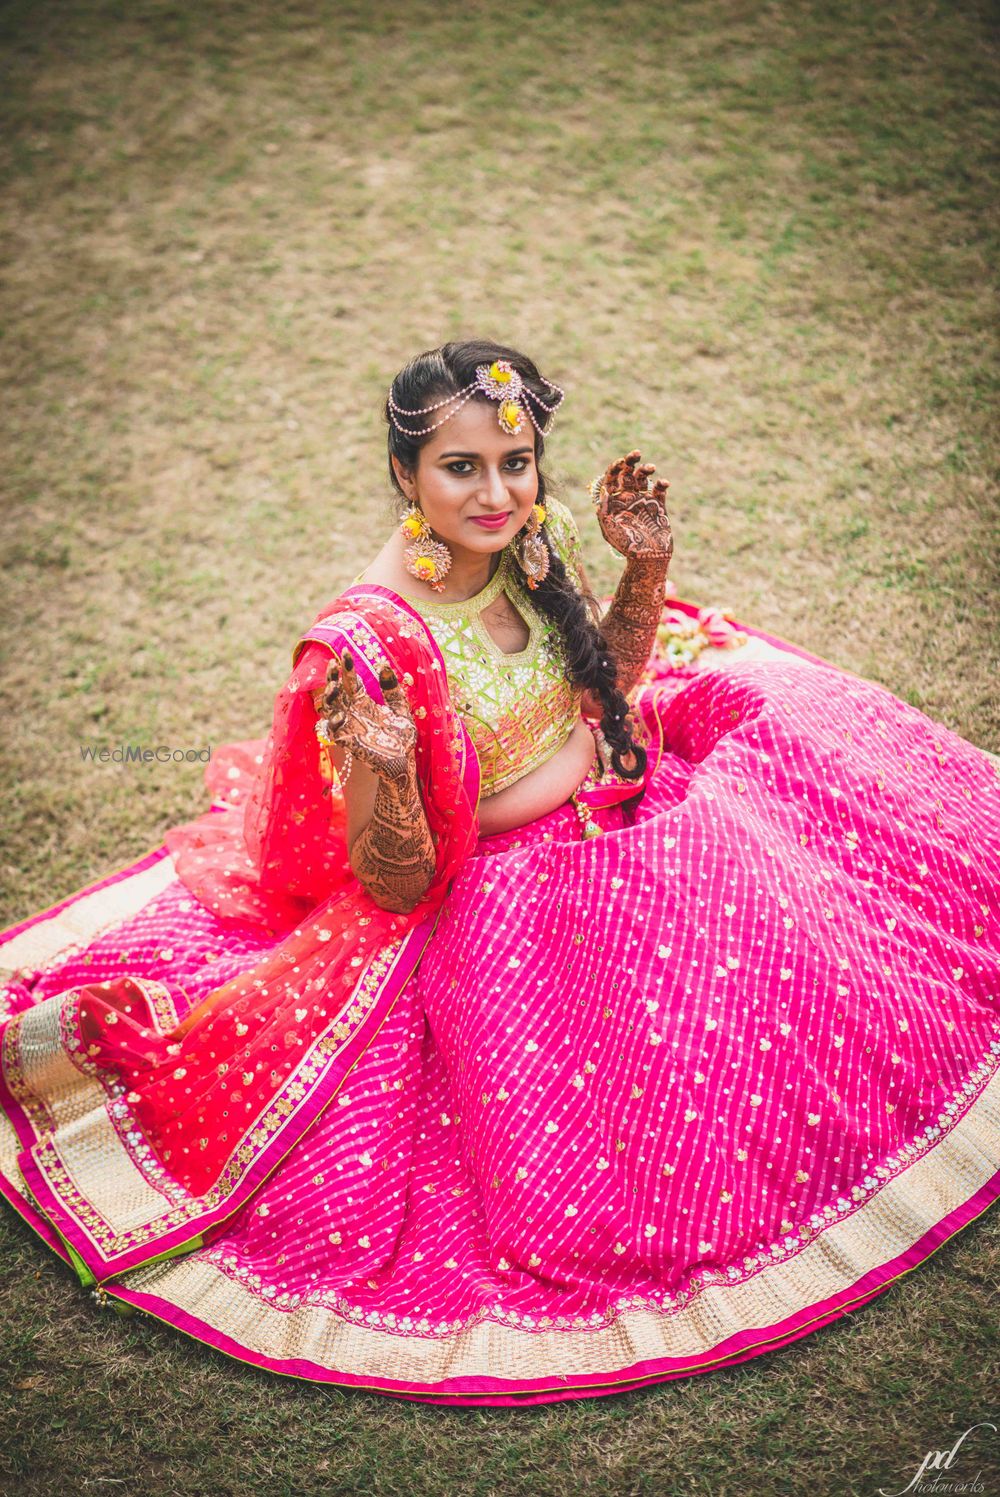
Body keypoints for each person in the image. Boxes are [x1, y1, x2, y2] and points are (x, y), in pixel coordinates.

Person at [1, 339, 998, 1409]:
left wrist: (642, 570)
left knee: (799, 757)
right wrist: (382, 769)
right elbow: (394, 882)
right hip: (506, 886)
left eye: (514, 462)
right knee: (685, 957)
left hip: (622, 779)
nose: (496, 492)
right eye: (460, 467)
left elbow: (603, 678)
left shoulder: (538, 538)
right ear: (403, 474)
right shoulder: (367, 643)